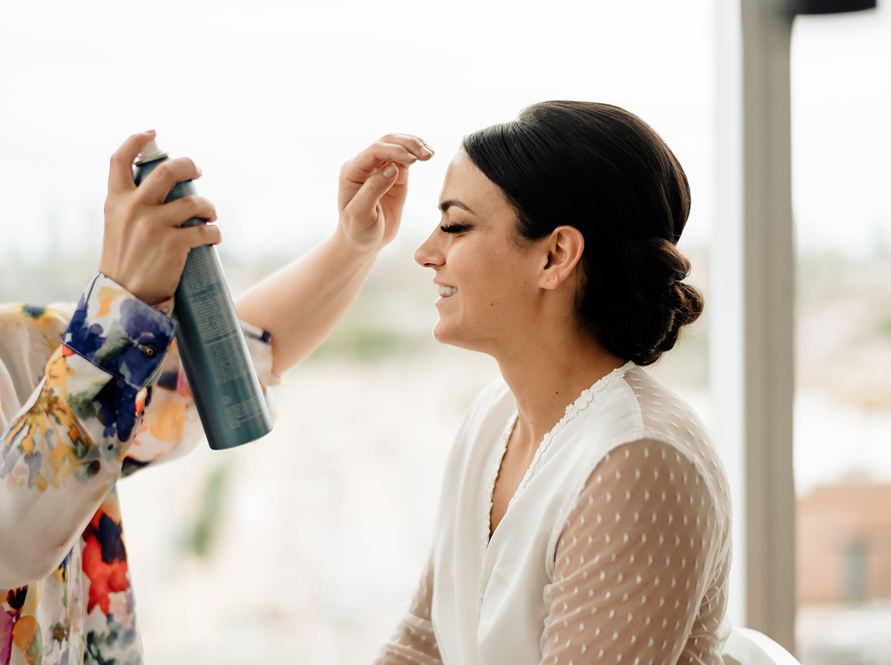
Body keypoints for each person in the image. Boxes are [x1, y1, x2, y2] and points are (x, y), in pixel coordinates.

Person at [0, 129, 433, 665]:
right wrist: (120, 302)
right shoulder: (74, 347)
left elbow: (231, 359)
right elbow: (11, 536)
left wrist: (353, 244)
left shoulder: (22, 343)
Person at [376, 101, 732, 665]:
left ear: (556, 255)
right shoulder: (494, 415)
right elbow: (423, 644)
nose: (426, 252)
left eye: (455, 225)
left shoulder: (636, 461)